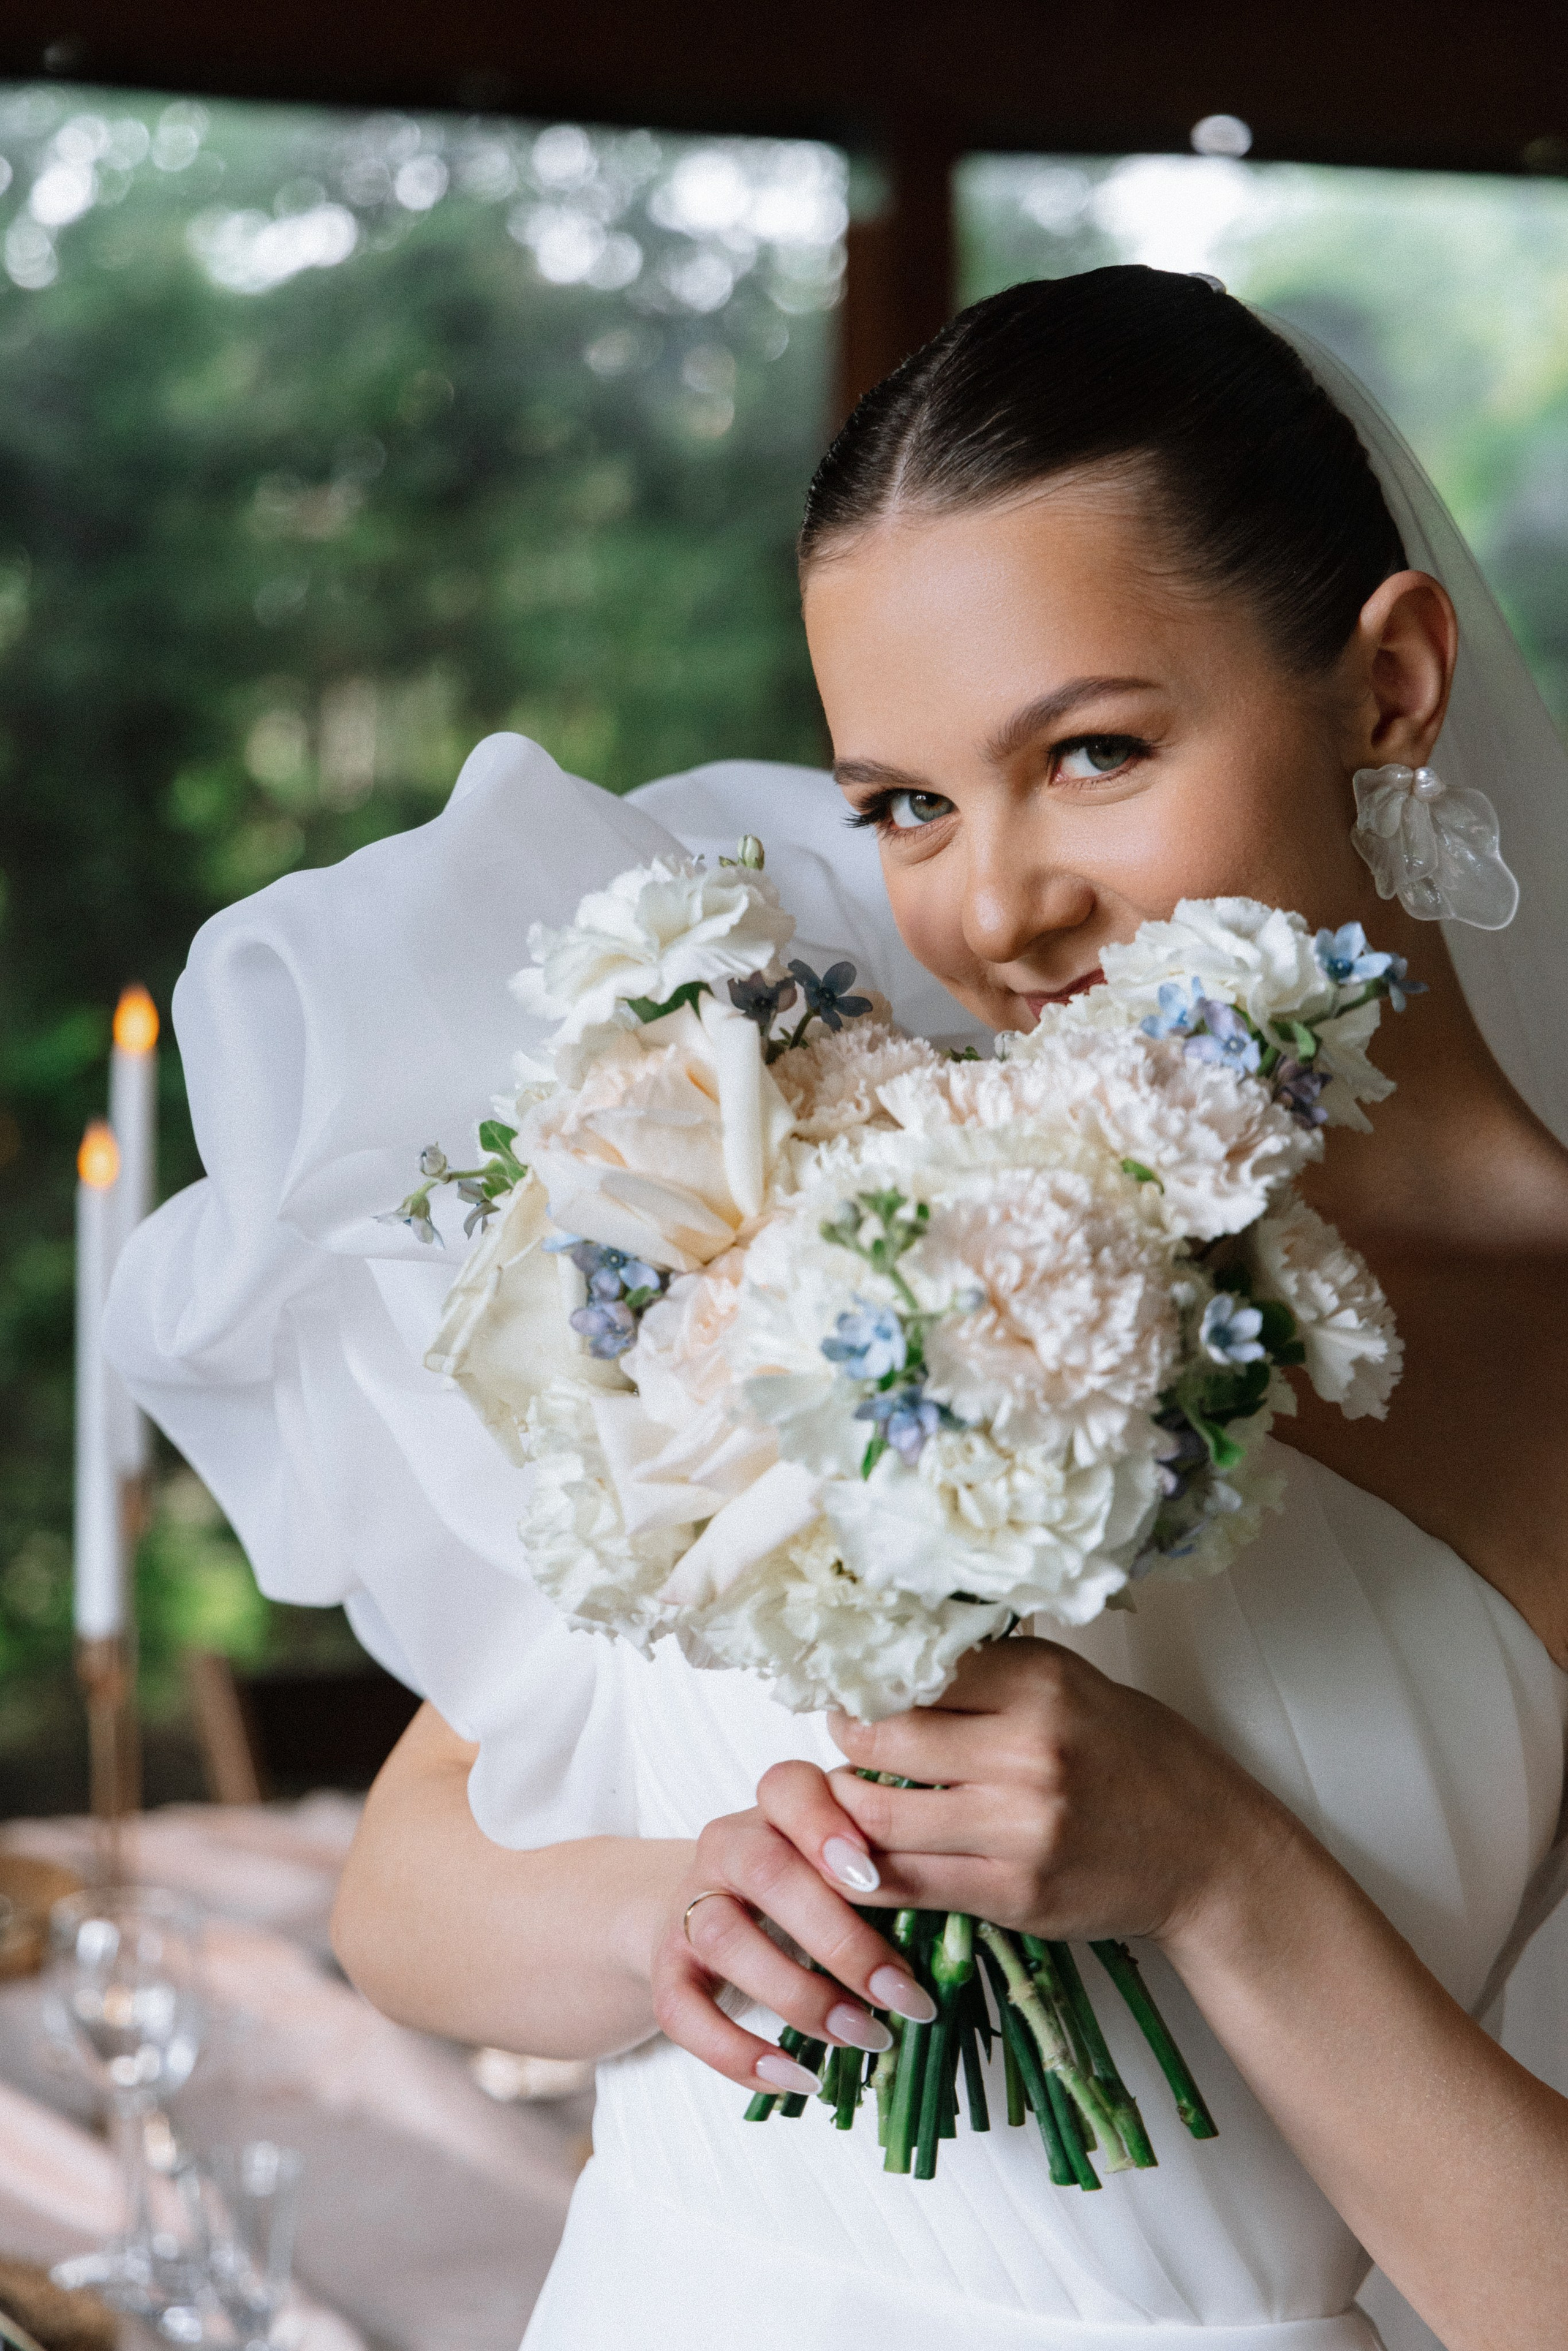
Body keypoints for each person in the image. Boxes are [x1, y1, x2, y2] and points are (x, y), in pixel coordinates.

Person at [108, 268, 1568, 2351]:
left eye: (1092, 753)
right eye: (906, 802)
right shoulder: (830, 1175)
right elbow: (403, 1896)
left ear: (1394, 685)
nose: (992, 907)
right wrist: (683, 1910)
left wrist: (1225, 1877)